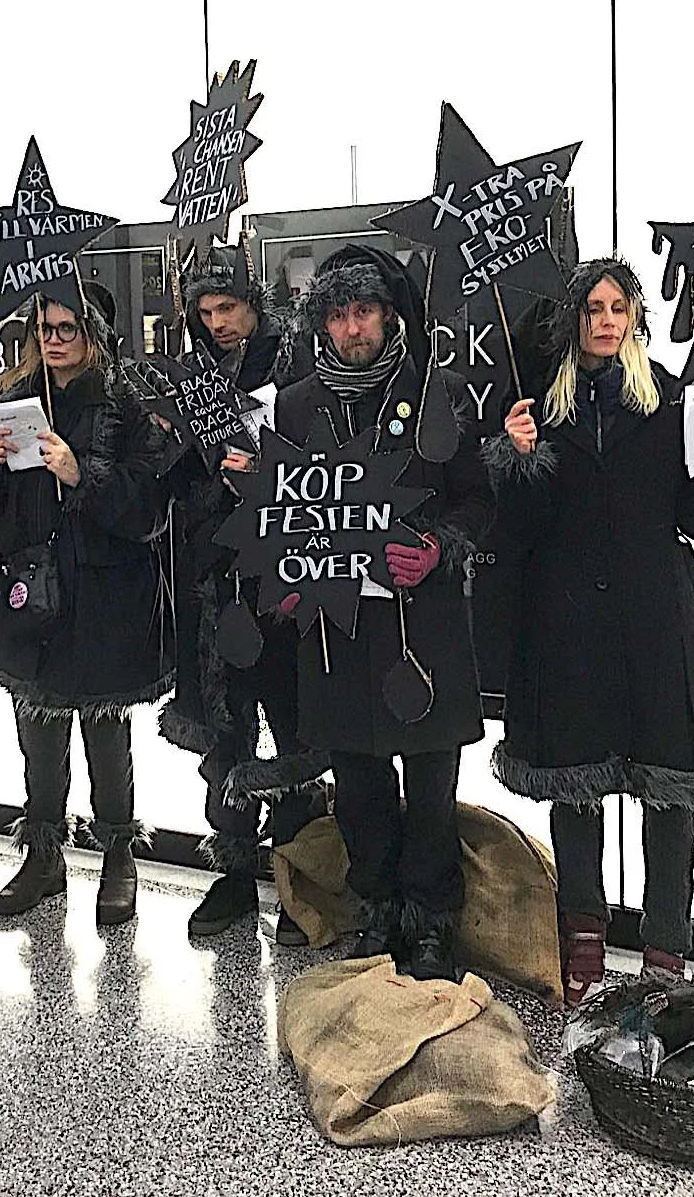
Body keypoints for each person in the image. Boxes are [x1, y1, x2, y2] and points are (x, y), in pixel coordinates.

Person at [487, 258, 694, 1004]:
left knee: (669, 785)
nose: (606, 321)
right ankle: (581, 929)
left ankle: (666, 946)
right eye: (592, 309)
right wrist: (519, 461)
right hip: (566, 615)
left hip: (654, 614)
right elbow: (517, 529)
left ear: (635, 316)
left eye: (618, 307)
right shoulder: (537, 407)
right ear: (573, 319)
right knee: (575, 783)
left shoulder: (674, 401)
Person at [276, 245, 495, 981]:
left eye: (363, 310)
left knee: (431, 785)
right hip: (337, 631)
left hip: (422, 628)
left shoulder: (441, 391)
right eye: (338, 314)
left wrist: (439, 547)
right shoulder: (296, 404)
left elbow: (478, 500)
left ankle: (430, 920)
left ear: (389, 313)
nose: (352, 328)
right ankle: (375, 907)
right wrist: (286, 571)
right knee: (359, 783)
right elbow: (283, 515)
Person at [0, 288, 171, 926]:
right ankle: (44, 856)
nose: (53, 339)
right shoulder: (11, 399)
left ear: (92, 333)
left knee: (106, 730)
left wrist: (82, 474)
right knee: (38, 730)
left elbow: (148, 508)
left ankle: (118, 857)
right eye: (44, 328)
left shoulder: (126, 404)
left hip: (104, 595)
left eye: (67, 328)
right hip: (28, 590)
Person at [157, 251, 326, 942]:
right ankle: (232, 873)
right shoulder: (190, 378)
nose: (217, 323)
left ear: (252, 303)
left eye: (227, 308)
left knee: (292, 730)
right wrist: (173, 447)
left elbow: (324, 465)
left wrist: (266, 474)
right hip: (213, 576)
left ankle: (298, 881)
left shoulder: (296, 363)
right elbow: (169, 486)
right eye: (205, 312)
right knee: (225, 731)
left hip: (282, 575)